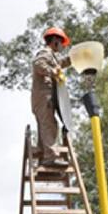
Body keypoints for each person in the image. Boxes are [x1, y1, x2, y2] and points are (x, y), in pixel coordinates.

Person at [31, 26, 72, 168]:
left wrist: (77, 57)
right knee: (49, 123)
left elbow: (62, 62)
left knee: (45, 124)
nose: (62, 47)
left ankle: (44, 156)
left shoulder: (53, 57)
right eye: (61, 43)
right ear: (55, 41)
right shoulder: (46, 53)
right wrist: (52, 72)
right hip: (43, 95)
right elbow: (38, 64)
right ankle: (51, 156)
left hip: (44, 96)